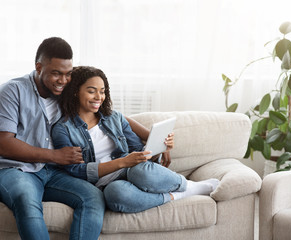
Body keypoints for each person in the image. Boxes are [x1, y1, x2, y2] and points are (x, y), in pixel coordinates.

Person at [0, 37, 109, 240]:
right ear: (39, 67)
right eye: (56, 73)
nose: (63, 80)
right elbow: (2, 144)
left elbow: (106, 113)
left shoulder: (67, 93)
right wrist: (55, 156)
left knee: (93, 196)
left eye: (68, 74)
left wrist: (150, 134)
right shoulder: (11, 91)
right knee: (26, 199)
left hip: (53, 173)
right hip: (15, 169)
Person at [51, 66, 220, 213]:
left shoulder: (114, 118)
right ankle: (177, 194)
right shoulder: (63, 129)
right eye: (91, 91)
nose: (98, 97)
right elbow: (75, 170)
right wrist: (122, 162)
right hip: (103, 183)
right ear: (75, 91)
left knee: (141, 171)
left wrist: (159, 147)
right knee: (115, 195)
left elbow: (138, 149)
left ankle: (188, 186)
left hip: (132, 170)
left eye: (102, 91)